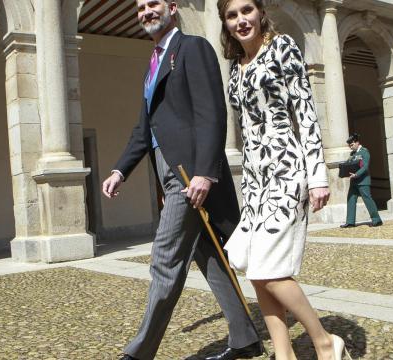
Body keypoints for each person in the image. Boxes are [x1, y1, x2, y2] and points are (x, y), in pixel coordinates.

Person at [102, 1, 261, 359]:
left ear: (172, 7)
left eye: (153, 3)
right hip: (169, 176)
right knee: (209, 257)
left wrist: (206, 171)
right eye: (140, 7)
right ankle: (246, 338)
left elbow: (211, 110)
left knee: (164, 257)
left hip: (189, 176)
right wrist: (119, 170)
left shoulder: (192, 47)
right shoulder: (151, 67)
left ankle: (139, 353)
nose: (146, 11)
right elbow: (144, 129)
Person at [218, 0, 350, 359]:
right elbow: (244, 127)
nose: (241, 20)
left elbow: (305, 112)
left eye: (247, 10)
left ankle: (325, 340)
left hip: (287, 170)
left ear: (260, 12)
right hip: (255, 180)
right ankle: (284, 353)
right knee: (257, 270)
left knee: (271, 271)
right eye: (232, 15)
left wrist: (318, 176)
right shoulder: (236, 66)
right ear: (225, 23)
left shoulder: (282, 47)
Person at [340, 133, 383, 228]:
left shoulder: (364, 152)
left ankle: (377, 220)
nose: (351, 147)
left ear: (357, 142)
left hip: (363, 180)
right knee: (351, 199)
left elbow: (365, 166)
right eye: (349, 145)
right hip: (354, 181)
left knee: (367, 199)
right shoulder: (352, 154)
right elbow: (348, 164)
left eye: (352, 145)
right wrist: (343, 170)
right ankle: (350, 221)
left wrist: (356, 174)